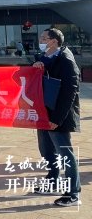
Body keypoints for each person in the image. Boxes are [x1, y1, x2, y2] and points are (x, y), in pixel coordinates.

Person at [32, 28, 81, 207]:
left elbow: (70, 92)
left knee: (65, 154)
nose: (41, 40)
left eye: (44, 38)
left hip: (58, 116)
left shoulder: (66, 60)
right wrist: (36, 66)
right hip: (43, 113)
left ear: (53, 41)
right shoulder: (44, 56)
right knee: (46, 151)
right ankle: (52, 181)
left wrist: (57, 119)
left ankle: (73, 193)